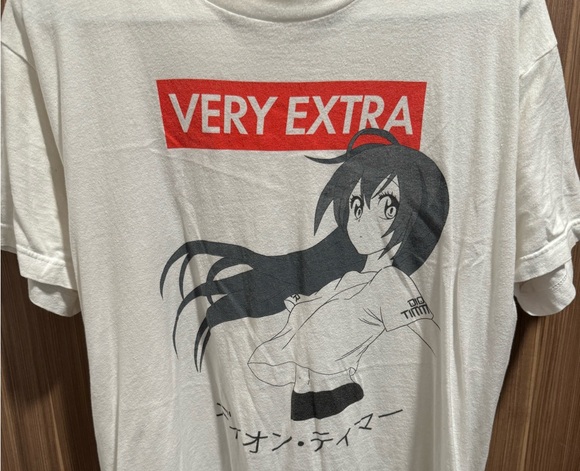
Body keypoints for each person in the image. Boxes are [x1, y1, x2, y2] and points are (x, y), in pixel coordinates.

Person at [159, 128, 449, 420]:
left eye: (388, 207)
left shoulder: (390, 281)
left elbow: (429, 346)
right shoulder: (349, 279)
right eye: (356, 205)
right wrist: (302, 305)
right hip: (306, 399)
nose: (361, 219)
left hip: (347, 399)